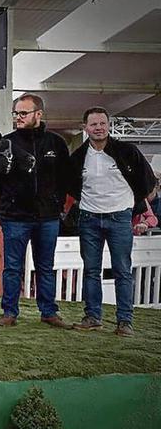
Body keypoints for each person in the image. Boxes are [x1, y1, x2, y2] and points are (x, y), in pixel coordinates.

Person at [68, 106, 155, 337]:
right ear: (85, 127)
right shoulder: (78, 157)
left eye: (102, 123)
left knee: (122, 271)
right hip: (88, 218)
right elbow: (71, 186)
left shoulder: (128, 151)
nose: (98, 128)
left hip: (120, 217)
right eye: (94, 124)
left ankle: (125, 321)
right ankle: (92, 317)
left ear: (108, 125)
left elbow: (147, 182)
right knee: (91, 270)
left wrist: (137, 208)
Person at [0, 94, 70, 329]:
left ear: (38, 114)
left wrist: (59, 206)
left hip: (48, 217)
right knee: (12, 268)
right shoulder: (6, 143)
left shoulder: (56, 143)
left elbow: (65, 178)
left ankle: (48, 312)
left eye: (23, 113)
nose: (18, 118)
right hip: (14, 217)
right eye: (15, 113)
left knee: (46, 266)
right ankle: (9, 312)